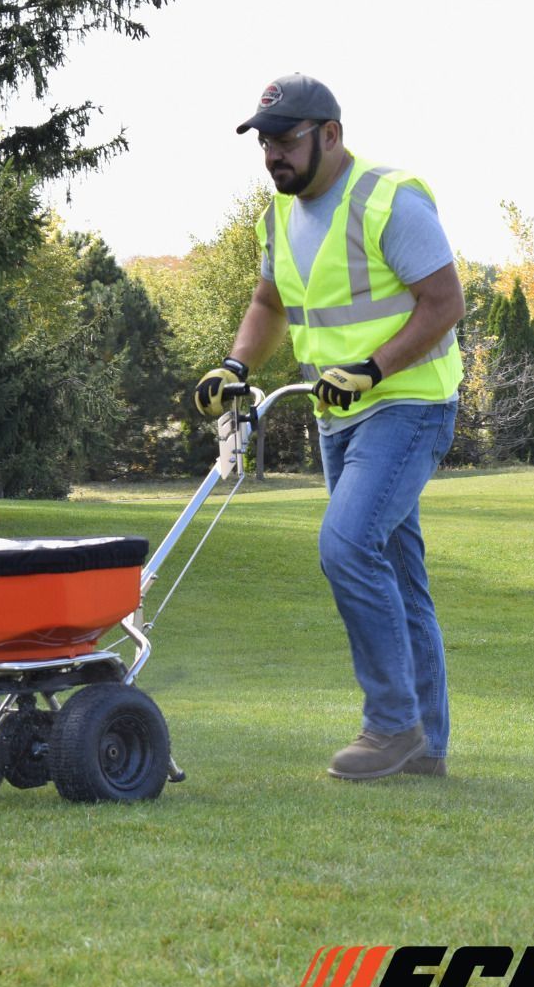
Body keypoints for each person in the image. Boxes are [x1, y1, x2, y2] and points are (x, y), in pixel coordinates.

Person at [195, 73, 464, 780]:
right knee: (399, 576)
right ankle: (427, 747)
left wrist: (372, 369)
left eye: (287, 140)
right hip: (336, 417)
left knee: (346, 546)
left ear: (331, 135)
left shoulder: (388, 199)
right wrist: (234, 365)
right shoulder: (279, 217)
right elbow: (267, 302)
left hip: (408, 406)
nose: (273, 155)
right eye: (265, 143)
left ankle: (391, 726)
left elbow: (444, 303)